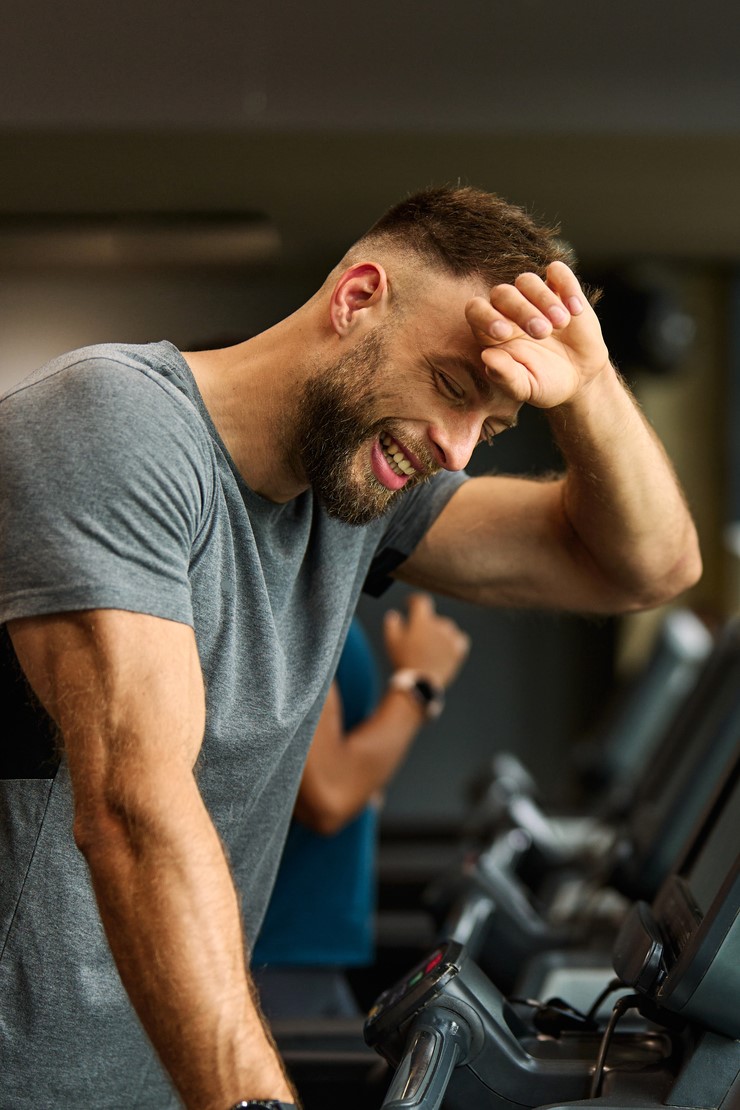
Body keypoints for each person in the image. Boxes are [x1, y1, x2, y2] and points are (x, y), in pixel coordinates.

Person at [0, 186, 701, 1109]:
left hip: (153, 1078)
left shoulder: (352, 501)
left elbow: (643, 568)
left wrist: (591, 390)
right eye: (452, 387)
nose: (455, 452)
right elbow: (136, 812)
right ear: (358, 297)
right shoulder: (113, 425)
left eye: (488, 428)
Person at [252, 595, 470, 1018]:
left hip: (307, 951)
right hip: (277, 958)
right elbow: (330, 794)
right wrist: (420, 683)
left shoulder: (311, 580)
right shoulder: (282, 595)